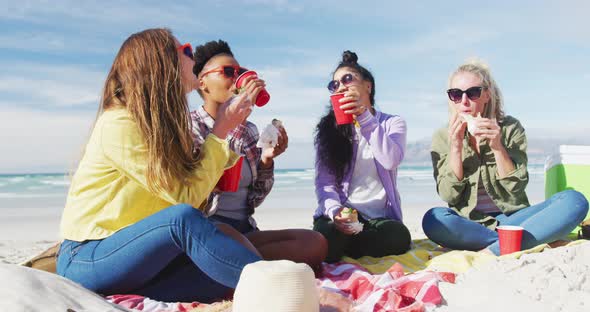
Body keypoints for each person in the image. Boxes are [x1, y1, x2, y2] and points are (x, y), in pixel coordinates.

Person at [57, 28, 262, 303]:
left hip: (138, 257)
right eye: (186, 52)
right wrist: (221, 132)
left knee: (216, 276)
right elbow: (184, 201)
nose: (194, 59)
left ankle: (123, 297)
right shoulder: (120, 123)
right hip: (87, 255)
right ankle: (278, 284)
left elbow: (195, 194)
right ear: (163, 63)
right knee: (183, 219)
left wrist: (233, 139)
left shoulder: (162, 127)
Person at [423, 59, 589, 255]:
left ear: (486, 95)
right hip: (470, 224)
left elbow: (516, 188)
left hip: (515, 218)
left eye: (473, 93)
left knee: (574, 200)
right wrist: (456, 146)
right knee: (433, 219)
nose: (464, 101)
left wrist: (498, 147)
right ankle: (519, 240)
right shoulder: (443, 136)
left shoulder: (510, 128)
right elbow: (448, 195)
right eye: (456, 94)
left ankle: (493, 249)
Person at [190, 40, 327, 270]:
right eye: (228, 72)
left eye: (240, 73)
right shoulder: (190, 126)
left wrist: (266, 160)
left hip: (244, 230)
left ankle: (241, 265)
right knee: (229, 243)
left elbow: (253, 200)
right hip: (207, 229)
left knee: (315, 243)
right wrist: (231, 124)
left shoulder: (249, 129)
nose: (237, 79)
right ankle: (245, 266)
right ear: (203, 82)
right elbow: (194, 192)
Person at [312, 50, 412, 263]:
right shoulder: (329, 131)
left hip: (377, 221)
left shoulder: (392, 123)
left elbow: (390, 160)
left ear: (368, 86)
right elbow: (324, 183)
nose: (341, 86)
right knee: (326, 237)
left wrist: (364, 117)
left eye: (347, 79)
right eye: (335, 84)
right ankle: (344, 243)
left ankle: (346, 247)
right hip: (340, 217)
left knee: (400, 237)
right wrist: (335, 212)